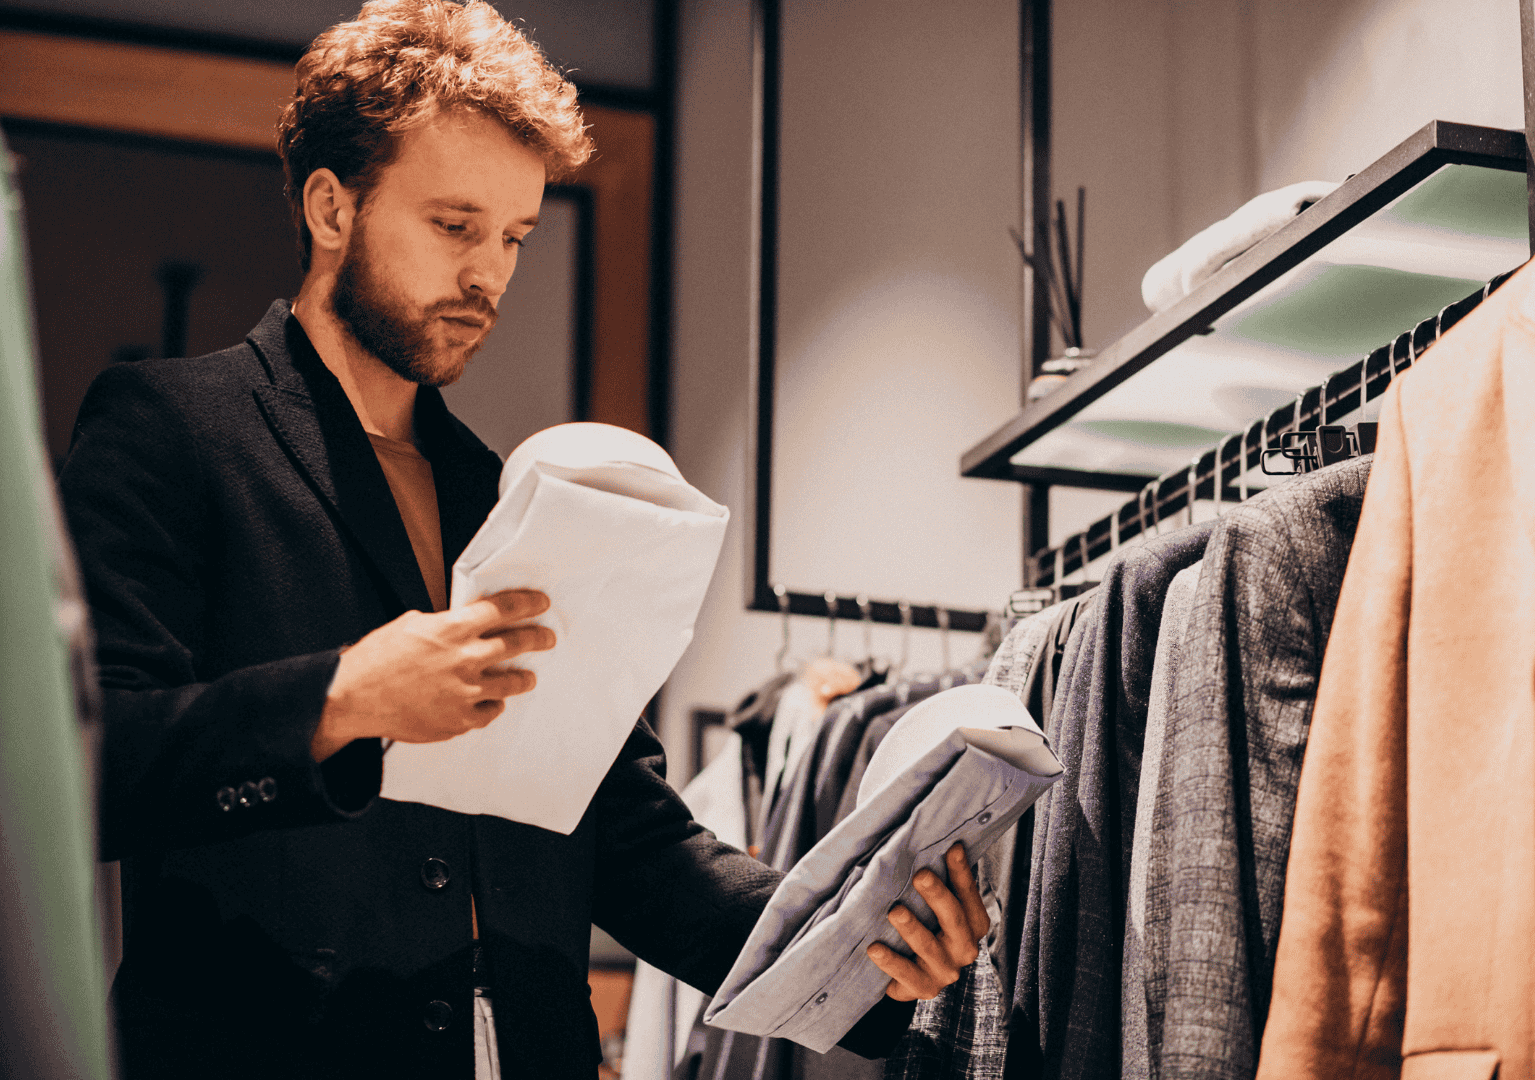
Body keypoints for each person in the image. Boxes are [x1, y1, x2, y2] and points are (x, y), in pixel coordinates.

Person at [58, 3, 990, 1078]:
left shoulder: (511, 496)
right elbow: (92, 769)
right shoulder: (168, 427)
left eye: (513, 237)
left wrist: (859, 952)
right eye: (454, 227)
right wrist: (341, 699)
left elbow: (633, 841)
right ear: (330, 207)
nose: (489, 276)